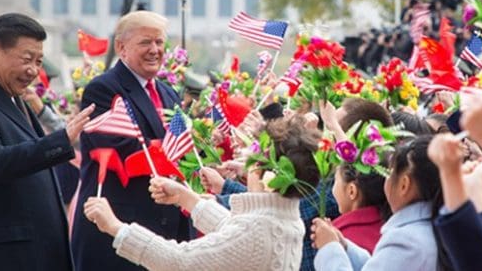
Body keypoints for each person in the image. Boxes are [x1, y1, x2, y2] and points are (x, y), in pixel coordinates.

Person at [83, 115, 319, 271]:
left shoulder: (258, 228)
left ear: (265, 173)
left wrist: (115, 227)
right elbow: (234, 230)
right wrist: (187, 198)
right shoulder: (286, 218)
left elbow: (179, 260)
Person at [0, 13, 94, 270]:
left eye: (39, 61)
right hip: (2, 256)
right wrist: (59, 141)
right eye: (26, 60)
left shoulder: (13, 98)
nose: (33, 70)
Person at [71, 11, 190, 271]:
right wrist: (171, 153)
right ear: (121, 47)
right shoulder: (103, 89)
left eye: (159, 43)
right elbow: (122, 147)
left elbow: (182, 143)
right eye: (146, 42)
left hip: (165, 230)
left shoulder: (169, 93)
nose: (155, 50)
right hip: (119, 227)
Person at [311, 135, 451, 271]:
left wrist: (329, 248)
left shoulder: (406, 240)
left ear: (404, 185)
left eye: (389, 174)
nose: (386, 180)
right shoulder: (432, 227)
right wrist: (344, 246)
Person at [330, 162, 390, 253]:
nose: (332, 189)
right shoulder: (390, 229)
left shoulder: (339, 239)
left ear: (351, 191)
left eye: (335, 181)